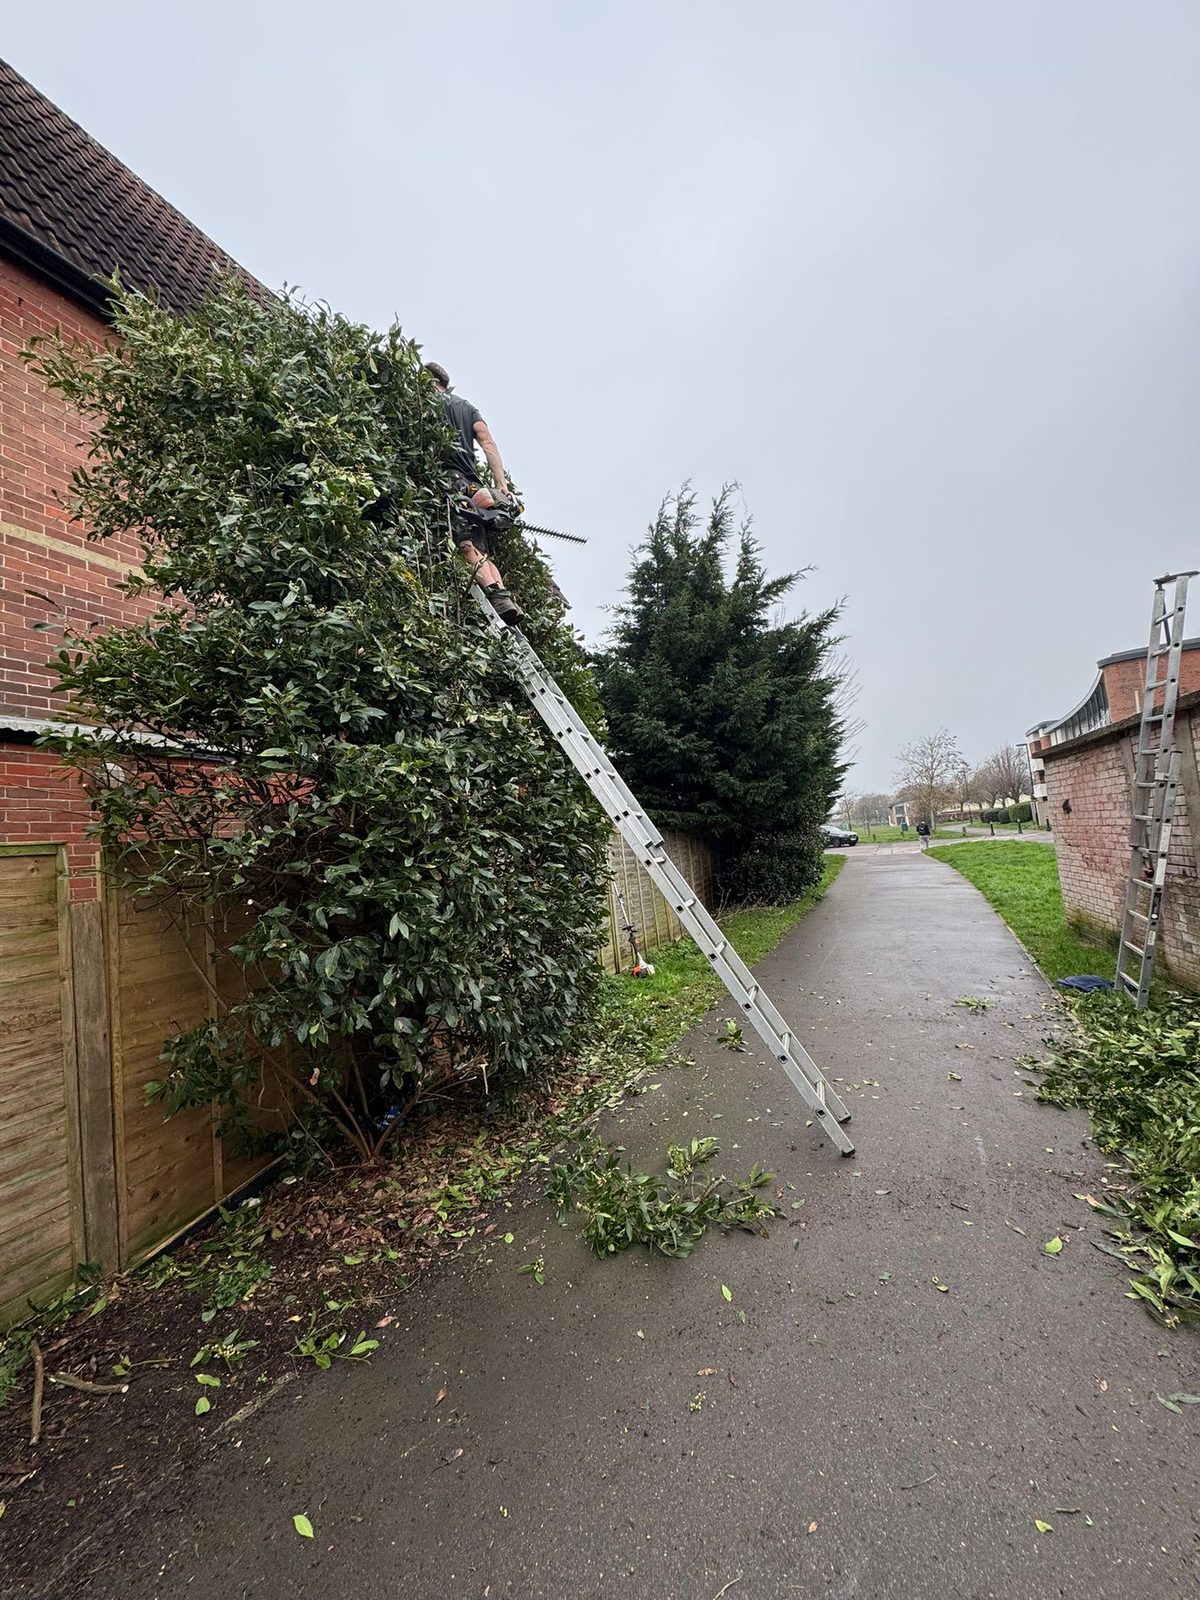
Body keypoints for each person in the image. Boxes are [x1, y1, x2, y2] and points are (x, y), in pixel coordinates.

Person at [425, 362, 524, 627]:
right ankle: (504, 598)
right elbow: (488, 442)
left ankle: (496, 596)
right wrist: (501, 484)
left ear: (429, 381)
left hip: (450, 482)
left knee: (465, 545)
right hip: (473, 487)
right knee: (481, 552)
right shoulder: (467, 407)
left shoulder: (426, 403)